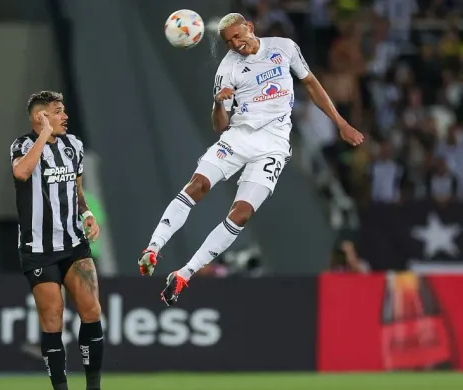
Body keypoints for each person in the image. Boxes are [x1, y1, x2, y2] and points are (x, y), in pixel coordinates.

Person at [138, 13, 364, 305]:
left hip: (274, 146)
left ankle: (184, 274)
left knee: (241, 214)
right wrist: (219, 102)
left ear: (250, 28)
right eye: (229, 41)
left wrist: (341, 123)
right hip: (239, 137)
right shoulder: (228, 68)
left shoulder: (284, 48)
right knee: (198, 185)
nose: (235, 43)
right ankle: (153, 248)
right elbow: (220, 125)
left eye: (237, 35)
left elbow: (311, 83)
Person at [10, 90, 116, 390]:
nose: (65, 116)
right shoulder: (23, 146)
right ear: (40, 117)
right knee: (53, 320)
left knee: (92, 311)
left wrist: (87, 215)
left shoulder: (74, 146)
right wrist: (42, 134)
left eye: (64, 111)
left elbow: (77, 190)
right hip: (38, 249)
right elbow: (21, 174)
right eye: (57, 111)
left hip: (74, 243)